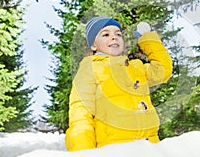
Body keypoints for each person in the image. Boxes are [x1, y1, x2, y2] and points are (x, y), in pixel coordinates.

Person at [65, 17, 172, 151]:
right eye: (106, 34)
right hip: (113, 149)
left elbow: (163, 71)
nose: (114, 37)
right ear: (94, 45)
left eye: (118, 34)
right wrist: (84, 152)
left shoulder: (136, 68)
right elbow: (80, 114)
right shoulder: (90, 70)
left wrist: (148, 38)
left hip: (150, 147)